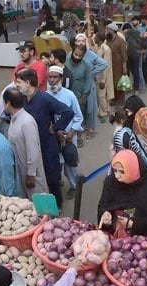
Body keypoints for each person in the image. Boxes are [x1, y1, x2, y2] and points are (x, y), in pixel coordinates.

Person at [16, 68, 74, 208]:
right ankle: (42, 207)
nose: (16, 85)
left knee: (51, 178)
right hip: (32, 148)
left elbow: (68, 112)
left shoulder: (44, 98)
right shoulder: (23, 99)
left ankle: (56, 206)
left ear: (28, 83)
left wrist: (55, 128)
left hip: (47, 146)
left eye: (19, 82)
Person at [98, 150, 147, 240]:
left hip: (142, 240)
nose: (117, 176)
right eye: (114, 170)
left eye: (122, 172)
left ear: (133, 170)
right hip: (116, 236)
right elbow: (104, 204)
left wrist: (134, 225)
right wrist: (106, 214)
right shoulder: (111, 182)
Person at [46, 65, 84, 200]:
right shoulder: (45, 95)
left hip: (68, 136)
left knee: (70, 165)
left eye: (55, 77)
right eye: (50, 77)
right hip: (53, 137)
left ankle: (74, 187)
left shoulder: (70, 95)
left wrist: (72, 132)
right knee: (55, 164)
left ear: (61, 78)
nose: (52, 80)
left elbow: (78, 116)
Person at [3, 88, 49, 198]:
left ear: (8, 103)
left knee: (40, 205)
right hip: (20, 171)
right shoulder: (15, 119)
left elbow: (33, 150)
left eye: (4, 102)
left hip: (31, 175)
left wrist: (31, 174)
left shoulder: (27, 122)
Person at [72, 34, 108, 140]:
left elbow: (103, 64)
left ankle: (91, 128)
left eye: (83, 41)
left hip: (89, 83)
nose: (81, 43)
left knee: (90, 107)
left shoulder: (90, 54)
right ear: (75, 43)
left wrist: (92, 73)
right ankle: (80, 127)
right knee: (78, 106)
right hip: (76, 85)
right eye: (78, 41)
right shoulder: (72, 54)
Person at [93, 32, 114, 123]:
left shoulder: (106, 49)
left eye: (96, 37)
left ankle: (104, 113)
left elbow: (106, 65)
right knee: (103, 95)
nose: (94, 39)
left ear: (100, 39)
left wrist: (102, 80)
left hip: (104, 75)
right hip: (99, 74)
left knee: (101, 95)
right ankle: (106, 110)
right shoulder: (98, 47)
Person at [106, 23, 128, 105]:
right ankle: (114, 98)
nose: (106, 31)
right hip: (110, 65)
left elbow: (124, 55)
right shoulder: (108, 40)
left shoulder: (120, 41)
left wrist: (124, 67)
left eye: (108, 30)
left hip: (119, 66)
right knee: (112, 82)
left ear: (112, 30)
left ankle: (121, 100)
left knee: (120, 83)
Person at [123, 22, 147, 94]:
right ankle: (135, 88)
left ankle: (136, 88)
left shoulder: (128, 34)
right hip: (134, 55)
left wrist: (143, 51)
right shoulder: (137, 33)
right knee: (134, 72)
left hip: (132, 55)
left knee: (134, 72)